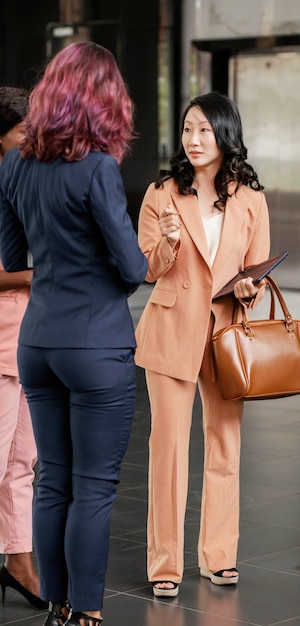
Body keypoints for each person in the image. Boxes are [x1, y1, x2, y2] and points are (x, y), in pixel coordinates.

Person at [0, 43, 148, 626]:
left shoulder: (12, 165)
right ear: (104, 101)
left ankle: (58, 607)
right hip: (97, 346)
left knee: (52, 480)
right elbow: (133, 269)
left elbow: (13, 255)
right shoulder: (99, 169)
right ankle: (85, 611)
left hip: (37, 344)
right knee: (94, 486)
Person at [135, 91, 270, 597]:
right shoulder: (160, 193)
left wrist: (248, 289)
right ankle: (165, 565)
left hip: (225, 334)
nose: (193, 139)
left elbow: (254, 270)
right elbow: (147, 269)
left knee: (225, 447)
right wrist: (168, 239)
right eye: (188, 129)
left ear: (225, 135)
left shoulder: (251, 199)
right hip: (171, 330)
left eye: (204, 131)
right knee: (167, 451)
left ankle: (219, 556)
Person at [0, 86, 48, 611]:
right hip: (1, 339)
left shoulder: (25, 183)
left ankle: (19, 558)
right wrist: (46, 272)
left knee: (23, 460)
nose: (33, 140)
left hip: (28, 341)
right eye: (22, 133)